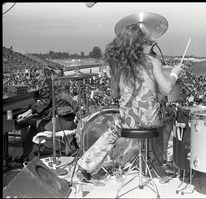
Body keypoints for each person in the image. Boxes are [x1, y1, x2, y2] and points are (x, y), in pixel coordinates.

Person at [76, 23, 184, 180]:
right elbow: (167, 89)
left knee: (112, 132)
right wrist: (174, 74)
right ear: (141, 42)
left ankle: (85, 166)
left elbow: (114, 94)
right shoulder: (152, 61)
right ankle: (167, 162)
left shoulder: (119, 65)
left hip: (127, 122)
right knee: (171, 115)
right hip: (151, 121)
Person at [14, 66, 77, 164]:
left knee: (33, 127)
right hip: (70, 122)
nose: (40, 76)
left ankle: (25, 156)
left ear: (48, 73)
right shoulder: (65, 83)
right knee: (40, 121)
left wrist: (26, 112)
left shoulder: (49, 83)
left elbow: (44, 102)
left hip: (60, 122)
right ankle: (45, 148)